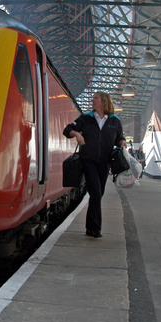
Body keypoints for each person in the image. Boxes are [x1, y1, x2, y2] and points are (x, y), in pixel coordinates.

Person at [63, 92, 126, 238]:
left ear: (104, 102)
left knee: (97, 194)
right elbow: (67, 130)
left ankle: (90, 227)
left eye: (95, 98)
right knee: (96, 192)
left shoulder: (114, 121)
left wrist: (122, 142)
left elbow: (119, 137)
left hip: (105, 162)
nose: (92, 100)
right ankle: (95, 228)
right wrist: (77, 134)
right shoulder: (86, 118)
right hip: (88, 160)